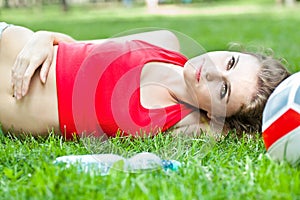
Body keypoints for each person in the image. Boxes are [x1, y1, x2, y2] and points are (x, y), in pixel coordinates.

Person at [0, 22, 290, 139]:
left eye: (223, 89)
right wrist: (42, 37)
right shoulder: (164, 40)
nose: (213, 72)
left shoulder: (184, 122)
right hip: (9, 39)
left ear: (218, 115)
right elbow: (70, 43)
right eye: (230, 62)